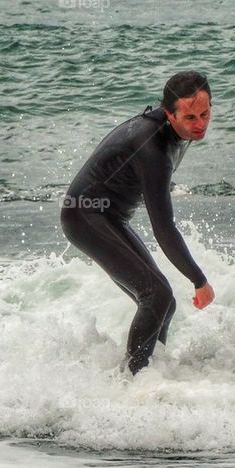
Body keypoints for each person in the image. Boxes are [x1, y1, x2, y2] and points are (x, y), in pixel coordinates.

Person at [60, 71, 215, 375]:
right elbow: (163, 228)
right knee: (156, 295)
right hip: (84, 216)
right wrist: (198, 280)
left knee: (163, 303)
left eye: (205, 113)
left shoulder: (172, 130)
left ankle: (150, 374)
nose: (199, 124)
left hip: (107, 216)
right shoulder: (153, 149)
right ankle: (130, 382)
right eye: (189, 117)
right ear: (169, 114)